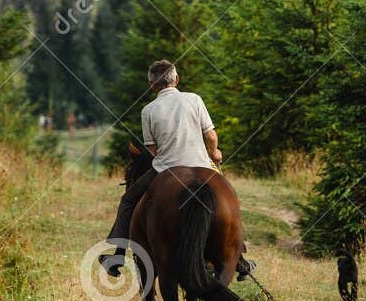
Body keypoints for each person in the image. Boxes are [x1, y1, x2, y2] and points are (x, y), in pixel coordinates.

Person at [102, 59, 253, 279]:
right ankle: (238, 256)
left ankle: (117, 256)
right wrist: (215, 152)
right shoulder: (194, 99)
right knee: (230, 198)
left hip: (166, 169)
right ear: (176, 79)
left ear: (152, 85)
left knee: (128, 202)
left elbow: (152, 148)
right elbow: (210, 135)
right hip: (202, 164)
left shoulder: (148, 110)